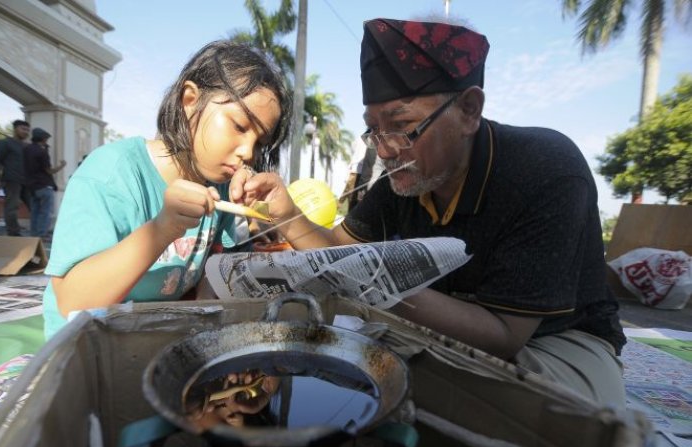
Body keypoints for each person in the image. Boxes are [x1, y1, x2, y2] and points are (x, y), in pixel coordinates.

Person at [235, 18, 626, 406]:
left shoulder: (545, 170)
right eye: (374, 129)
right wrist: (287, 214)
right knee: (339, 370)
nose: (385, 150)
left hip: (556, 339)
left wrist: (371, 283)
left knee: (517, 414)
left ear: (469, 110)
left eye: (402, 125)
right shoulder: (402, 183)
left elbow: (505, 334)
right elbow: (334, 252)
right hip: (437, 328)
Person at [42, 40, 291, 339]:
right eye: (239, 126)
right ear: (189, 101)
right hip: (88, 344)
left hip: (156, 337)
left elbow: (213, 274)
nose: (248, 152)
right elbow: (72, 300)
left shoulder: (222, 187)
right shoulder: (111, 174)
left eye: (259, 143)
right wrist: (164, 228)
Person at [23, 128, 67, 238]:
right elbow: (49, 171)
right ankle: (42, 234)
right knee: (45, 212)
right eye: (46, 139)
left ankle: (34, 234)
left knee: (35, 212)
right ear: (43, 138)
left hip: (32, 186)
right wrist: (62, 165)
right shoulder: (41, 152)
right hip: (44, 185)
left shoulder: (26, 149)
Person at [0, 119, 31, 236]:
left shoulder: (27, 146)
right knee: (12, 206)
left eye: (27, 130)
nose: (26, 132)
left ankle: (38, 231)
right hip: (11, 179)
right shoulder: (5, 143)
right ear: (15, 129)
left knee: (34, 205)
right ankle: (13, 232)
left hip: (27, 181)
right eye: (23, 129)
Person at [338, 138, 381, 211]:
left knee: (350, 199)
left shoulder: (362, 139)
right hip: (357, 172)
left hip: (359, 172)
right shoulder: (371, 140)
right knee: (351, 199)